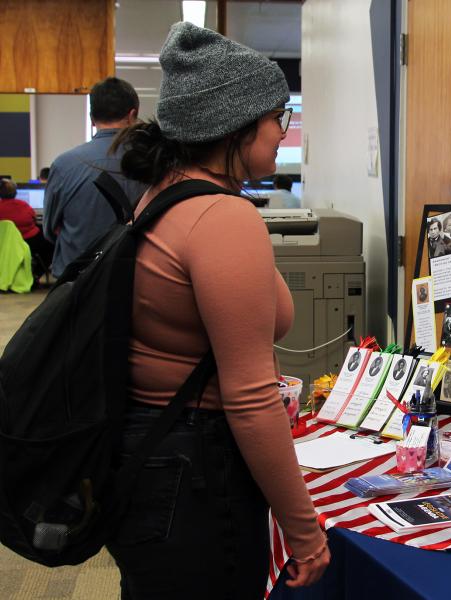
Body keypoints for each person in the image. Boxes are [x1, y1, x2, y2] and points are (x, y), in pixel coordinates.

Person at [105, 23, 329, 597]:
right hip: (197, 473)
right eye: (278, 117)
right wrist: (304, 533)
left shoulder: (167, 193)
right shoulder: (221, 218)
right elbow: (250, 396)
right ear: (235, 122)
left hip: (152, 459)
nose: (284, 131)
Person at [43, 77, 146, 278]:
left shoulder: (64, 164)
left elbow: (49, 230)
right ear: (132, 115)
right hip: (133, 279)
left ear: (91, 118)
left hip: (75, 281)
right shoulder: (151, 162)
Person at [0, 178, 54, 279]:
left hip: (3, 244)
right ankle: (36, 274)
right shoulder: (24, 205)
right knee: (51, 244)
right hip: (27, 241)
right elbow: (33, 219)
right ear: (15, 193)